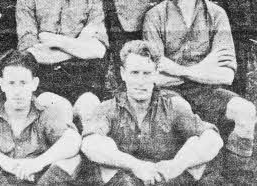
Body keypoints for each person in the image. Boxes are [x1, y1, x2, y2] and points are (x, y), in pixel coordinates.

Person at [143, 0, 256, 183]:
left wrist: (177, 69)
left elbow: (226, 75)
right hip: (169, 94)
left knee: (247, 112)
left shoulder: (216, 14)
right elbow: (154, 76)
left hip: (208, 92)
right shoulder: (155, 15)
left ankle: (236, 176)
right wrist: (204, 68)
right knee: (188, 123)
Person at [82, 40, 224, 185]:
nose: (141, 81)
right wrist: (136, 165)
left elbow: (213, 139)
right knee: (105, 154)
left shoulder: (173, 106)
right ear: (123, 74)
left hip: (165, 180)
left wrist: (177, 165)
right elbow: (89, 144)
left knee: (195, 148)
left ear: (156, 74)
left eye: (147, 73)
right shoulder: (108, 108)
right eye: (134, 73)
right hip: (126, 180)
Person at [16, 0, 108, 126]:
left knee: (89, 112)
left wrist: (52, 40)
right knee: (60, 115)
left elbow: (98, 50)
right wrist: (78, 44)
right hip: (45, 80)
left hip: (85, 79)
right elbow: (31, 54)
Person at [0, 50, 81, 185]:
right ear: (2, 84)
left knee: (72, 160)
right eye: (11, 83)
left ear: (34, 83)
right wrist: (4, 161)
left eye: (23, 83)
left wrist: (38, 163)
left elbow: (73, 140)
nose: (17, 91)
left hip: (38, 179)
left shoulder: (44, 114)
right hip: (0, 180)